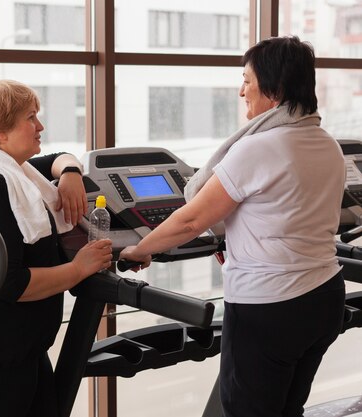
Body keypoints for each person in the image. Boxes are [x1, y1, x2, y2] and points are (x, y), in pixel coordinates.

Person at [120, 36, 346, 417]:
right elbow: (289, 212)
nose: (241, 90)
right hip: (324, 296)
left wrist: (138, 250)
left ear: (273, 89)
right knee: (288, 408)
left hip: (271, 306)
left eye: (247, 80)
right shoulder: (327, 143)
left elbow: (192, 219)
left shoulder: (259, 147)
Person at [0, 79, 112, 417]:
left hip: (24, 343)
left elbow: (59, 158)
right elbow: (8, 282)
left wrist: (70, 173)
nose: (40, 126)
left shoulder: (14, 171)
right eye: (30, 118)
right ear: (0, 132)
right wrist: (79, 268)